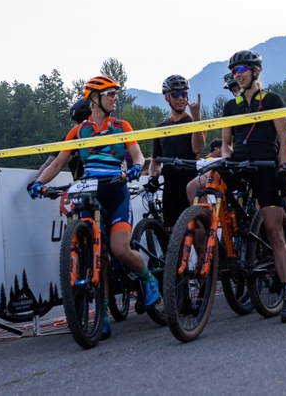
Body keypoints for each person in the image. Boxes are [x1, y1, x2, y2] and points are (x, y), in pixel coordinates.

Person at [28, 76, 160, 335]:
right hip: (89, 195)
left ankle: (148, 278)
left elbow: (138, 155)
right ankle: (105, 316)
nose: (115, 98)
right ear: (94, 99)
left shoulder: (122, 125)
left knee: (119, 249)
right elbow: (57, 164)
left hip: (115, 192)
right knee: (99, 259)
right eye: (110, 93)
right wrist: (38, 182)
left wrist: (135, 168)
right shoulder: (78, 131)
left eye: (115, 93)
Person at [207, 50, 286, 322]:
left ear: (255, 71)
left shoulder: (272, 99)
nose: (238, 74)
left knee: (274, 232)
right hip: (239, 163)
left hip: (266, 165)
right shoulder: (230, 106)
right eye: (234, 70)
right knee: (202, 183)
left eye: (242, 69)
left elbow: (284, 139)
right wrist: (226, 158)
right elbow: (226, 143)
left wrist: (285, 170)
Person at [147, 75, 206, 230]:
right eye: (175, 95)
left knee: (200, 239)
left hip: (192, 186)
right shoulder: (161, 129)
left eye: (184, 94)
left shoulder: (195, 121)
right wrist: (153, 177)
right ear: (167, 98)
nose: (181, 98)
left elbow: (197, 148)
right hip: (170, 190)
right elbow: (155, 161)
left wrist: (197, 119)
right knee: (174, 243)